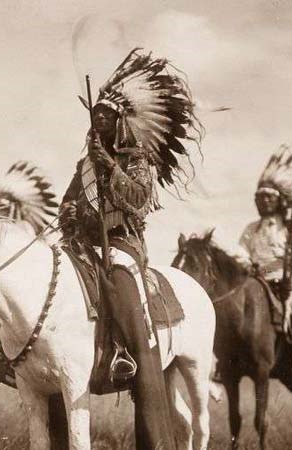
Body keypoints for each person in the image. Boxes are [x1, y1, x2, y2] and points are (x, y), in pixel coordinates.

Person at [59, 48, 202, 450]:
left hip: (122, 245)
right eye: (95, 115)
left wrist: (111, 168)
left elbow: (139, 199)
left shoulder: (135, 158)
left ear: (119, 120)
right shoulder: (84, 163)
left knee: (121, 284)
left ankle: (132, 355)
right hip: (83, 245)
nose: (98, 120)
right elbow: (69, 199)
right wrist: (69, 215)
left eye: (105, 115)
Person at [229, 146, 292, 374]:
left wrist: (290, 277)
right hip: (255, 279)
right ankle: (227, 361)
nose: (263, 201)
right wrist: (249, 265)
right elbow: (240, 252)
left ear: (279, 201)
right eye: (260, 197)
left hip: (284, 281)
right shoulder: (251, 228)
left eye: (268, 197)